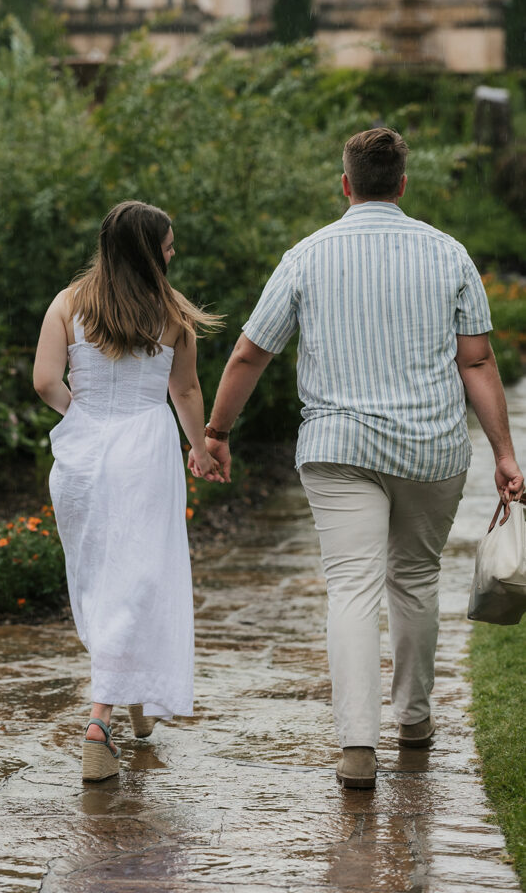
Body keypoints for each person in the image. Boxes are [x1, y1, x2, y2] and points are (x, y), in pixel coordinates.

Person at [201, 127, 524, 789]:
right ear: (402, 184)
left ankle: (355, 747)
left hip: (337, 445)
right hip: (428, 445)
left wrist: (216, 430)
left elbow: (248, 353)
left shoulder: (305, 256)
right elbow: (477, 360)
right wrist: (503, 451)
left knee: (351, 585)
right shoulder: (448, 255)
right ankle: (411, 719)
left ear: (344, 185)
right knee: (413, 578)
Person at [34, 200, 222, 782]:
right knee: (139, 576)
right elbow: (185, 392)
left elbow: (44, 381)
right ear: (147, 250)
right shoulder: (172, 316)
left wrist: (81, 417)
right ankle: (98, 726)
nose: (172, 252)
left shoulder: (67, 304)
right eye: (167, 245)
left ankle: (138, 704)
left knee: (104, 580)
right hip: (145, 449)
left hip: (83, 456)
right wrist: (202, 447)